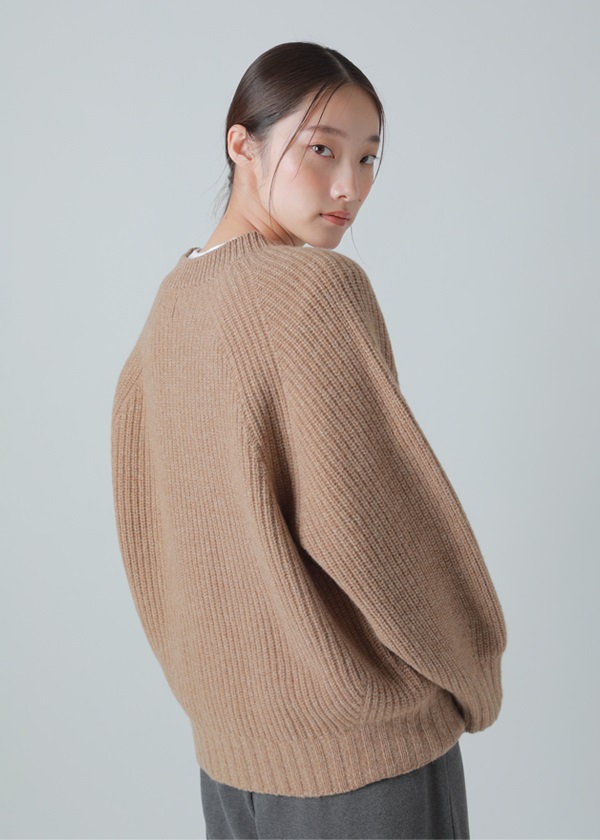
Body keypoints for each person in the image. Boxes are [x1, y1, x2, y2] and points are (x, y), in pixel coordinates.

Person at [111, 41, 508, 840]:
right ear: (242, 144)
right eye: (321, 149)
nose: (349, 186)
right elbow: (381, 527)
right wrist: (475, 668)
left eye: (368, 158)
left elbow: (150, 536)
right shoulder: (315, 290)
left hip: (231, 764)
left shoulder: (169, 308)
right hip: (365, 761)